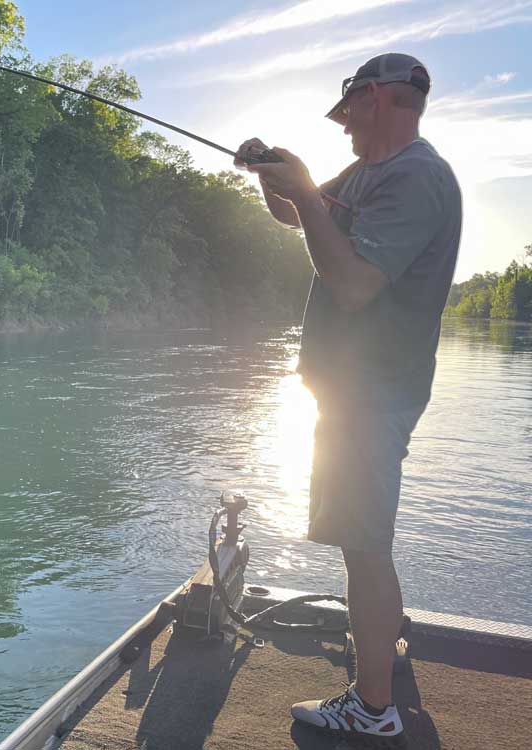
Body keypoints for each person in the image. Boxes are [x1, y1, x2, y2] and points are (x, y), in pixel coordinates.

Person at [234, 53, 461, 742]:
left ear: (384, 97)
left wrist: (303, 194)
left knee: (364, 545)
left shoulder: (418, 177)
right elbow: (296, 218)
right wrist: (270, 178)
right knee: (362, 541)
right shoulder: (369, 172)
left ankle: (372, 707)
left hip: (374, 390)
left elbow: (355, 284)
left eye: (351, 110)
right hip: (351, 389)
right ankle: (381, 655)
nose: (344, 127)